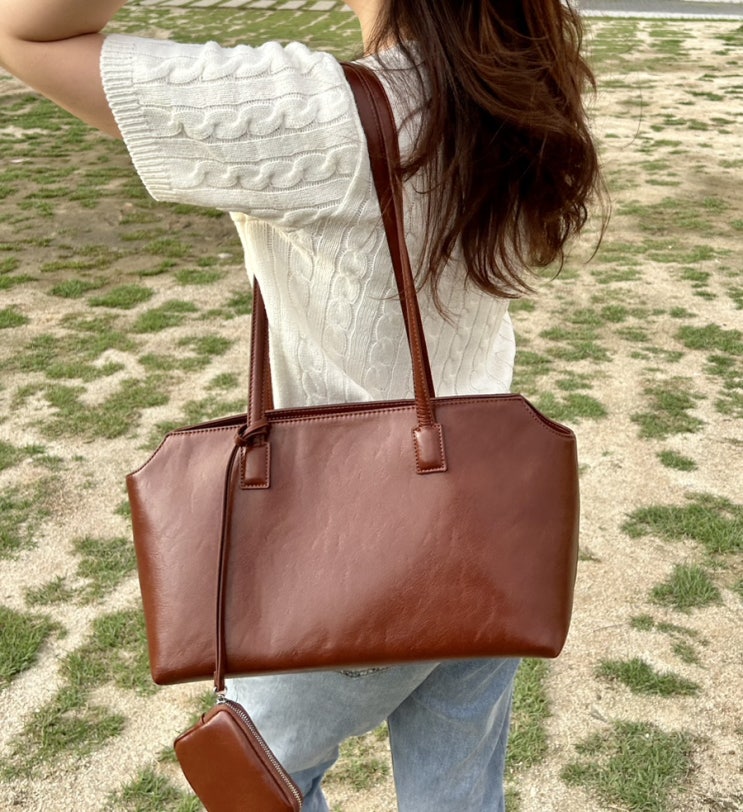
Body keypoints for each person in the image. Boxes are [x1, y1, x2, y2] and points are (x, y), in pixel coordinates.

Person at [0, 1, 604, 809]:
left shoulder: (313, 111)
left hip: (356, 543)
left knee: (249, 783)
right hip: (485, 517)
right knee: (456, 795)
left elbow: (23, 32)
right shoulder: (510, 85)